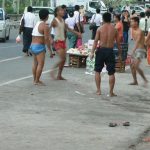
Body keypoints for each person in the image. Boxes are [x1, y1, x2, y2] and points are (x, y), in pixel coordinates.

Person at [90, 12, 121, 97]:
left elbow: (96, 41)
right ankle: (111, 92)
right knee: (111, 72)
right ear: (110, 19)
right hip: (110, 51)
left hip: (101, 50)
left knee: (97, 71)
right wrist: (120, 53)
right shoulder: (114, 29)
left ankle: (98, 91)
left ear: (103, 19)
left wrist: (92, 52)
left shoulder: (99, 29)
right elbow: (118, 43)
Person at [50, 6, 81, 80]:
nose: (63, 11)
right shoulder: (55, 20)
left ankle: (59, 75)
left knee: (64, 60)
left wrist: (77, 33)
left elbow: (68, 29)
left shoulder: (63, 20)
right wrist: (50, 39)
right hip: (57, 42)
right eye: (61, 10)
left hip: (63, 41)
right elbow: (48, 29)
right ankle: (52, 71)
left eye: (63, 10)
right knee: (62, 59)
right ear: (57, 12)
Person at [30, 9, 52, 85]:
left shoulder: (37, 24)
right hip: (39, 46)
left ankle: (35, 79)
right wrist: (50, 51)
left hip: (32, 45)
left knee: (35, 63)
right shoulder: (45, 26)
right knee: (40, 64)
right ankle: (37, 81)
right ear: (47, 16)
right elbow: (46, 39)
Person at [130, 17, 148, 86]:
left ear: (136, 23)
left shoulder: (140, 31)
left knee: (136, 66)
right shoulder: (132, 29)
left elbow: (137, 42)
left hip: (141, 50)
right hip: (136, 50)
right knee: (132, 66)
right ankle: (135, 81)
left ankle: (145, 80)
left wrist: (133, 51)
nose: (131, 23)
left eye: (132, 22)